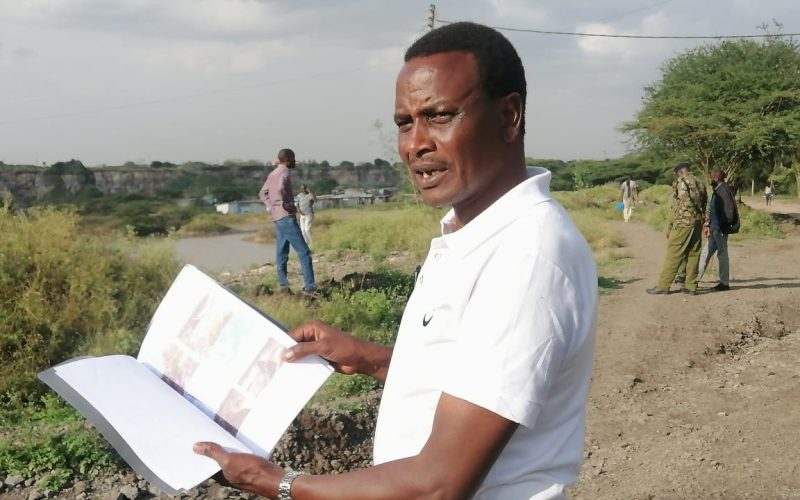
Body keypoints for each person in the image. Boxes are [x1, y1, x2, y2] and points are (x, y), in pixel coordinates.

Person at [194, 22, 598, 500]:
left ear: (509, 116)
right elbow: (476, 377)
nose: (414, 144)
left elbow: (440, 484)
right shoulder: (473, 231)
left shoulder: (528, 253)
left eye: (440, 116)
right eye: (405, 123)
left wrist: (275, 483)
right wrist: (371, 358)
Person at [258, 149, 316, 293]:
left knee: (282, 253)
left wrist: (272, 206)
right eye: (294, 159)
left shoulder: (273, 174)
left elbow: (262, 193)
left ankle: (284, 285)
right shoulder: (284, 173)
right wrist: (284, 204)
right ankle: (310, 287)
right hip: (286, 217)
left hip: (277, 217)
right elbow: (279, 190)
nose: (295, 161)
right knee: (304, 252)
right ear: (289, 159)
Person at [647, 162, 707, 296]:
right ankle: (691, 286)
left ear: (680, 172)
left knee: (673, 253)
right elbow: (705, 201)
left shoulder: (682, 183)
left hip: (683, 223)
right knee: (694, 253)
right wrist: (700, 216)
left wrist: (693, 214)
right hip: (697, 223)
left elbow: (685, 202)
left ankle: (663, 286)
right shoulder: (699, 182)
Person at [698, 169, 738, 291]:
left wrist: (723, 226)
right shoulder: (719, 189)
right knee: (706, 253)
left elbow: (729, 211)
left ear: (716, 178)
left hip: (719, 229)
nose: (710, 180)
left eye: (711, 177)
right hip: (714, 228)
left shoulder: (723, 190)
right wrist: (708, 225)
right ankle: (694, 279)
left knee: (722, 255)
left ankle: (724, 283)